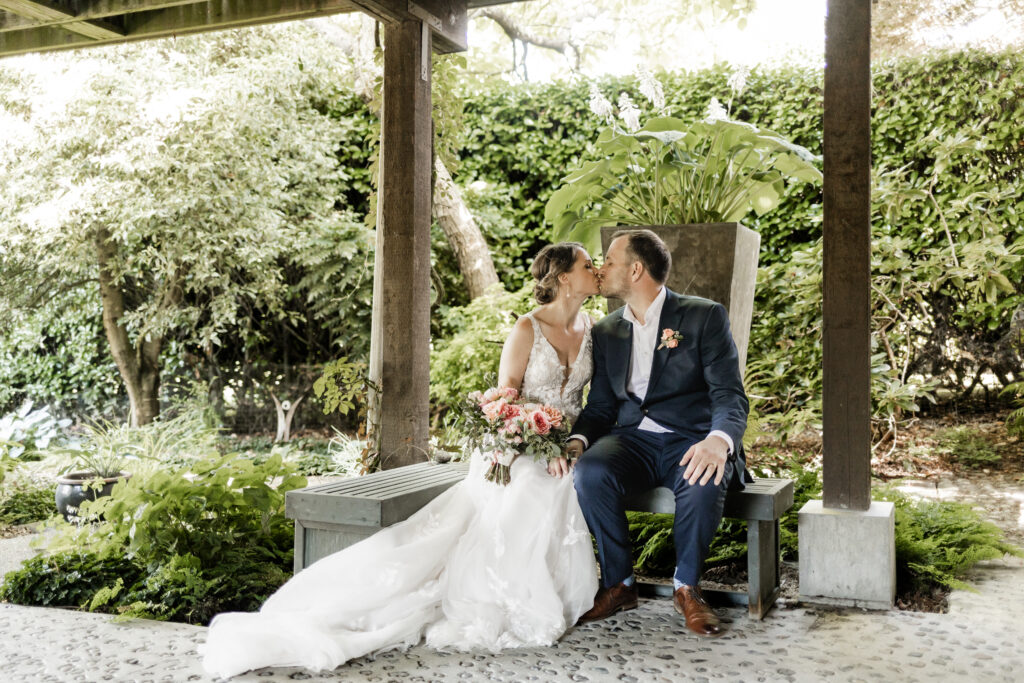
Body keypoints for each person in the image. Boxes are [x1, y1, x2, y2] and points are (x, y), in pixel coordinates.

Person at [201, 242, 600, 679]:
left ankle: (558, 586)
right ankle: (506, 594)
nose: (595, 269)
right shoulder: (527, 328)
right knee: (530, 484)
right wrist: (539, 444)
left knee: (568, 478)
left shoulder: (590, 326)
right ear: (563, 278)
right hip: (518, 444)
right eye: (587, 265)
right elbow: (505, 400)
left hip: (570, 442)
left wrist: (569, 444)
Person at [568, 228, 750, 637]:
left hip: (692, 437)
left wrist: (718, 442)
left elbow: (729, 396)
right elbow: (600, 407)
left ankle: (687, 588)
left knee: (704, 477)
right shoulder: (606, 330)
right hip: (633, 439)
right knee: (590, 473)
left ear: (636, 270)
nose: (601, 268)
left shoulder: (704, 316)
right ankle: (620, 584)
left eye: (609, 261)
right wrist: (578, 440)